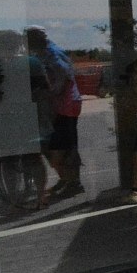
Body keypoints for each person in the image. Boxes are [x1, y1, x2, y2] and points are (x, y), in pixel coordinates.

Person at [0, 29, 51, 209]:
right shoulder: (32, 62)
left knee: (5, 156)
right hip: (27, 114)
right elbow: (45, 89)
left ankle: (13, 197)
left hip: (4, 116)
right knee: (33, 155)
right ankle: (41, 195)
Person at [25, 26, 84, 202]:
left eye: (29, 38)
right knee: (57, 145)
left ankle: (73, 182)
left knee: (62, 146)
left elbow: (64, 76)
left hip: (66, 105)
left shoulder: (53, 53)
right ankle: (66, 179)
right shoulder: (42, 52)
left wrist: (50, 92)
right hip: (58, 105)